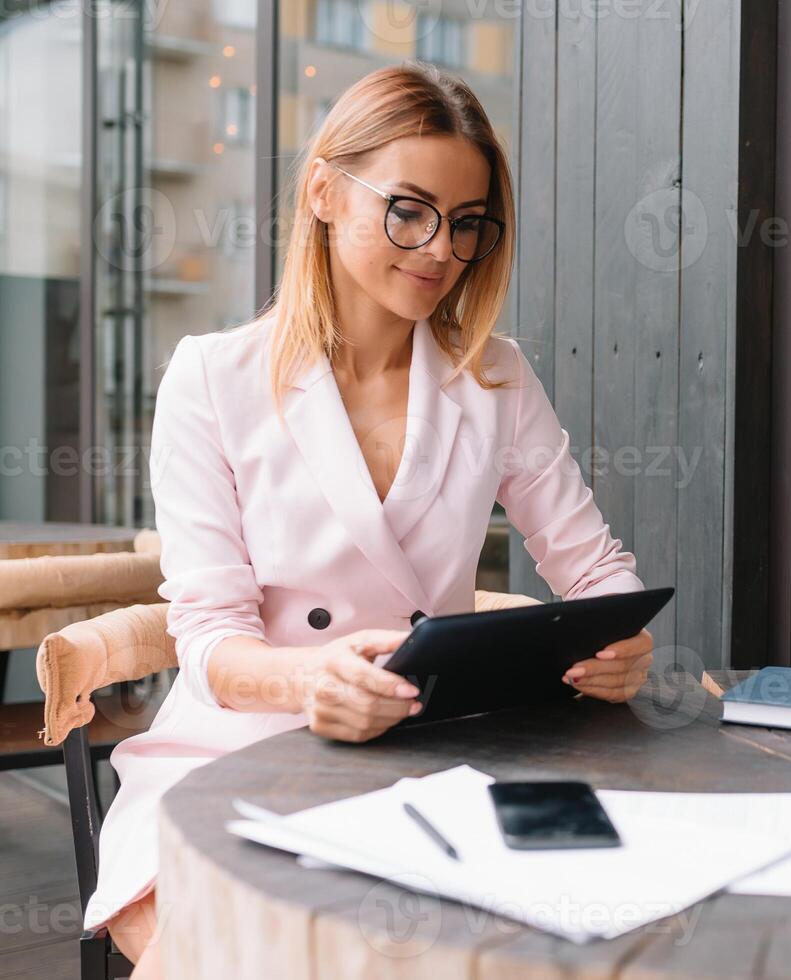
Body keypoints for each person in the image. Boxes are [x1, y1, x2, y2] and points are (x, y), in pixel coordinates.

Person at [84, 63, 654, 978]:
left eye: (467, 223)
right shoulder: (211, 377)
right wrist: (312, 680)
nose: (440, 249)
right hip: (238, 754)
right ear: (322, 190)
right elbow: (210, 638)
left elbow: (596, 571)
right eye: (409, 209)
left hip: (432, 749)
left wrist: (624, 637)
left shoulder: (495, 378)